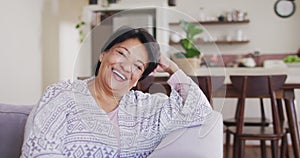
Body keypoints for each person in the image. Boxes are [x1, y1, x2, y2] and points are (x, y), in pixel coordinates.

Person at [21, 27, 212, 158]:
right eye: (121, 54)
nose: (126, 67)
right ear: (103, 54)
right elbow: (38, 152)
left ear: (138, 78)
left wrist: (171, 67)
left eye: (137, 66)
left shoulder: (148, 108)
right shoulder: (62, 94)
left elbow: (202, 111)